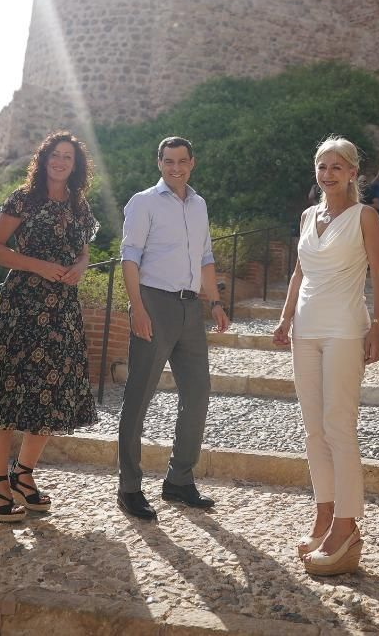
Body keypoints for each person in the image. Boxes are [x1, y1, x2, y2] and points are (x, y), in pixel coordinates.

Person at [0, 132, 99, 521]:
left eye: (68, 158)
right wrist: (38, 265)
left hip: (62, 309)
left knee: (51, 391)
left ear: (75, 166)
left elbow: (84, 247)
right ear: (43, 160)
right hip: (22, 305)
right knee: (6, 391)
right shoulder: (23, 198)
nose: (60, 162)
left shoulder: (79, 205)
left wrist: (79, 267)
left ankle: (23, 476)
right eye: (55, 156)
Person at [272, 136, 379, 576]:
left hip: (344, 330)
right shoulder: (307, 215)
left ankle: (347, 524)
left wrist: (378, 328)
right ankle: (323, 515)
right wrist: (284, 321)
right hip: (305, 331)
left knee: (340, 428)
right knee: (313, 432)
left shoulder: (366, 216)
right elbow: (299, 272)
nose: (328, 174)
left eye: (337, 167)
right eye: (322, 166)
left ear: (353, 172)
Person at [116, 136, 232, 521]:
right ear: (159, 162)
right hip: (154, 303)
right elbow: (129, 258)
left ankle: (179, 479)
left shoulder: (199, 205)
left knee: (198, 393)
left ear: (192, 163)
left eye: (182, 161)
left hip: (190, 308)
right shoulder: (143, 202)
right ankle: (129, 487)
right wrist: (138, 309)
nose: (175, 167)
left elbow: (205, 257)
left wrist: (214, 301)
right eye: (169, 161)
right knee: (139, 396)